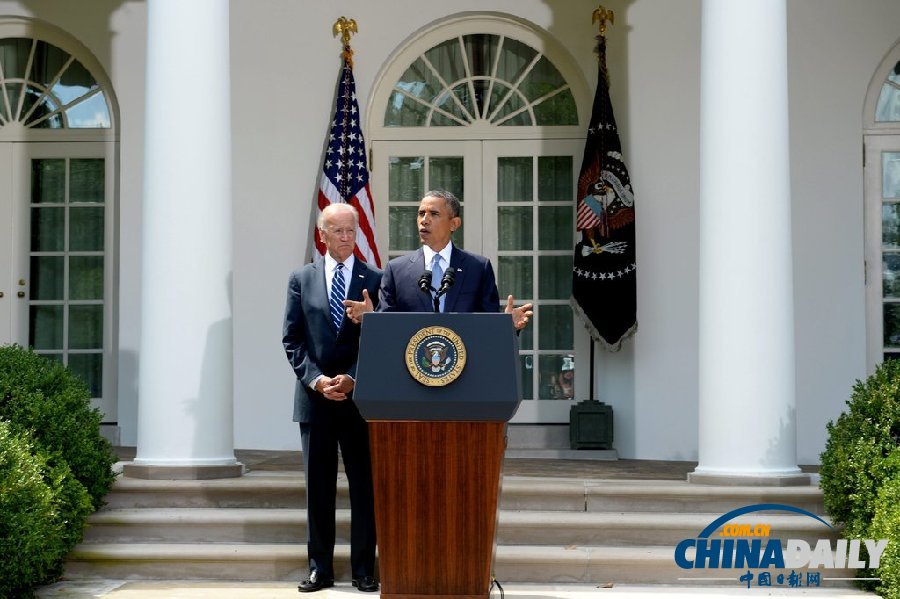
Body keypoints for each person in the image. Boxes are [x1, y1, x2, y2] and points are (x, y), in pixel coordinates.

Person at [282, 202, 381, 593]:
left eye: (351, 231)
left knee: (364, 488)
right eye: (337, 231)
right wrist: (317, 380)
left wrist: (354, 377)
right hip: (316, 401)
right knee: (319, 489)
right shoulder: (300, 278)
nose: (345, 237)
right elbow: (292, 339)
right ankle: (319, 569)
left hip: (361, 401)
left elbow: (383, 339)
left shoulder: (375, 278)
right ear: (322, 234)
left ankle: (364, 570)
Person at [344, 189, 533, 328]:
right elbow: (387, 326)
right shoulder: (396, 269)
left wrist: (507, 324)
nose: (424, 220)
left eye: (434, 214)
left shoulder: (478, 268)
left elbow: (488, 324)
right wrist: (370, 318)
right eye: (421, 213)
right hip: (410, 366)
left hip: (465, 365)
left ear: (454, 224)